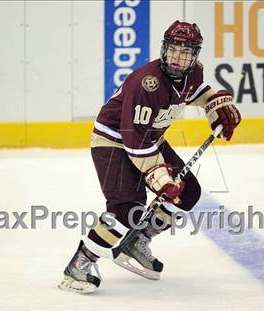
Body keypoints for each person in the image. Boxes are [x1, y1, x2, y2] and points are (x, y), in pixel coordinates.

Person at [58, 20, 241, 294]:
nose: (178, 58)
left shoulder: (194, 73)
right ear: (164, 49)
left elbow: (194, 92)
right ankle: (81, 263)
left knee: (188, 192)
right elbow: (134, 139)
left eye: (186, 52)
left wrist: (214, 103)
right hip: (114, 140)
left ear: (195, 56)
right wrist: (158, 175)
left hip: (148, 138)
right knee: (127, 209)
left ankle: (137, 241)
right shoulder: (147, 83)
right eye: (174, 50)